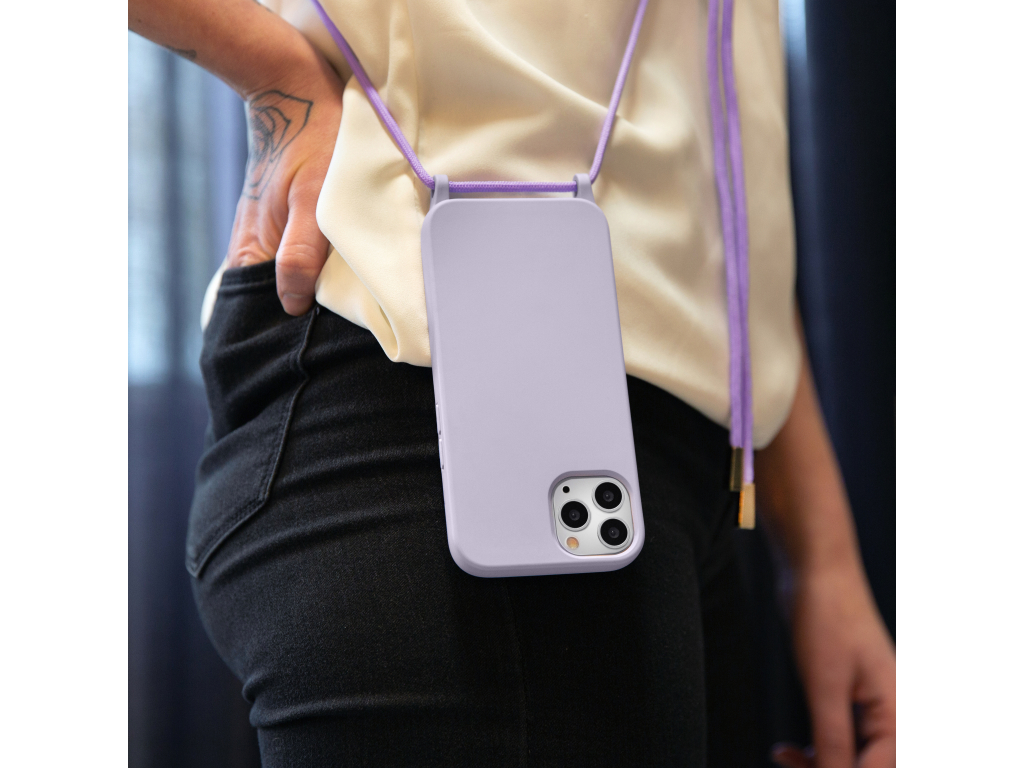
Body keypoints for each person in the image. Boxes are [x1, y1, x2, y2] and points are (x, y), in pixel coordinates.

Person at [129, 0, 896, 766]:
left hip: (685, 473)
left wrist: (822, 555)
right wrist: (278, 73)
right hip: (414, 382)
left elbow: (726, 143)